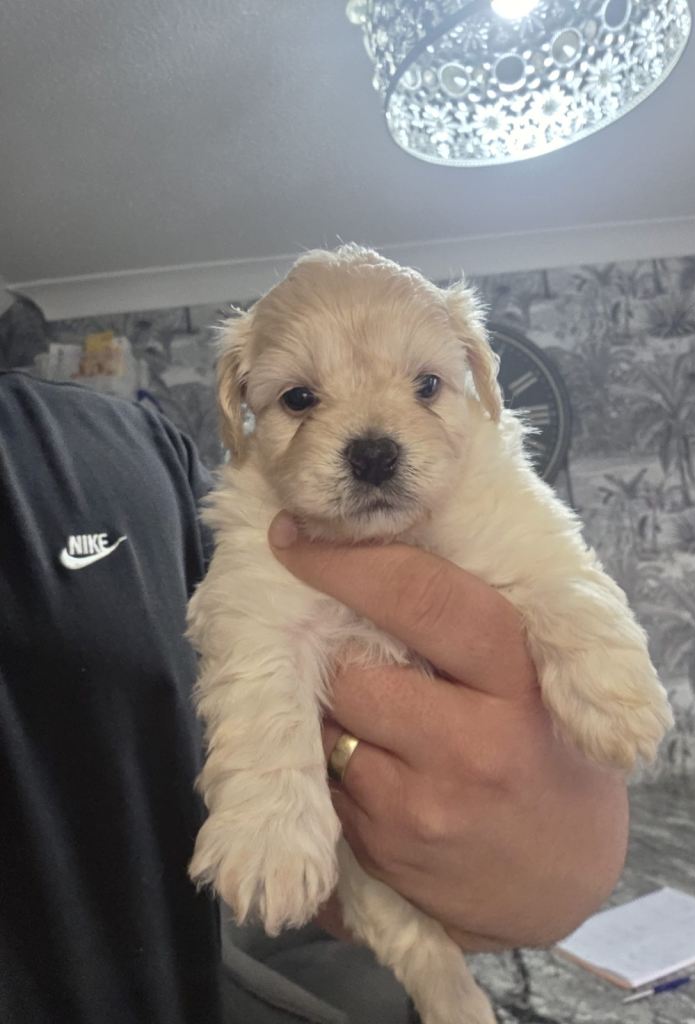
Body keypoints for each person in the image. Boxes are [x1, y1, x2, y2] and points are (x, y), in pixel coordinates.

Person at [0, 366, 628, 1024]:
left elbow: (281, 683)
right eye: (301, 398)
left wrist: (565, 843)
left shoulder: (124, 451)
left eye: (426, 386)